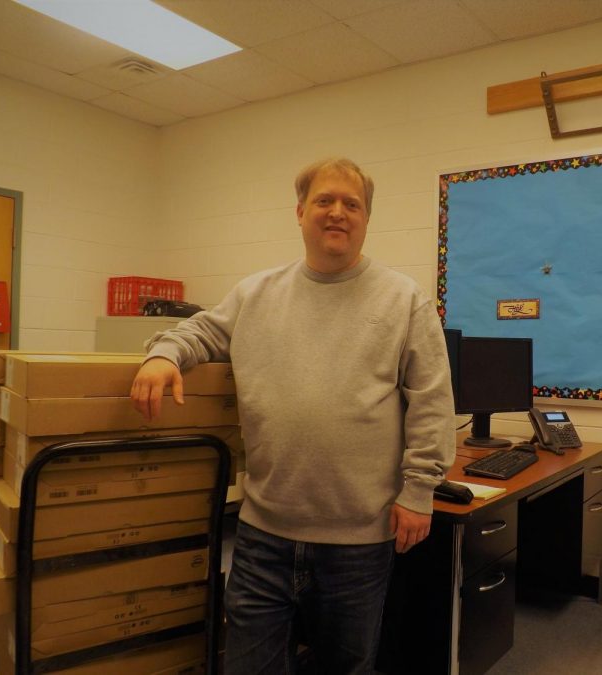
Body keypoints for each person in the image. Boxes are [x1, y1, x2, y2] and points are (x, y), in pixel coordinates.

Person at [130, 158, 456, 674]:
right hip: (263, 536)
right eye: (325, 200)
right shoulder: (255, 294)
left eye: (352, 204)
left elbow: (433, 400)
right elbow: (201, 331)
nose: (338, 213)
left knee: (345, 668)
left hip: (359, 539)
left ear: (367, 219)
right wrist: (164, 353)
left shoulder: (404, 300)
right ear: (301, 211)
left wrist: (420, 491)